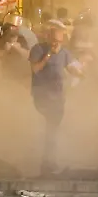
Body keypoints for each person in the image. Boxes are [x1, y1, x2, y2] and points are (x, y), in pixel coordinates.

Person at [30, 20, 82, 175]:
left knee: (53, 129)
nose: (56, 44)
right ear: (48, 38)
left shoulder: (65, 52)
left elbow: (71, 67)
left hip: (58, 96)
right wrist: (48, 55)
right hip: (42, 95)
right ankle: (46, 161)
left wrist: (81, 74)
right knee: (50, 127)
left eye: (59, 41)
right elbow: (35, 69)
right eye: (54, 41)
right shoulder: (38, 49)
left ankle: (49, 161)